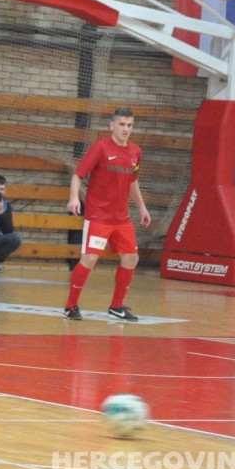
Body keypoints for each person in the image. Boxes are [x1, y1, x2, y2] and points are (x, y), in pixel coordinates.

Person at [63, 107, 151, 322]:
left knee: (131, 258)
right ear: (112, 125)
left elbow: (133, 180)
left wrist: (142, 206)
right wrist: (74, 197)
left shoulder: (135, 152)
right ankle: (70, 305)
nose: (126, 129)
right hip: (98, 216)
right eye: (122, 124)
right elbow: (78, 175)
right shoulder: (100, 148)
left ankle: (117, 306)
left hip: (121, 218)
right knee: (90, 258)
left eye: (129, 125)